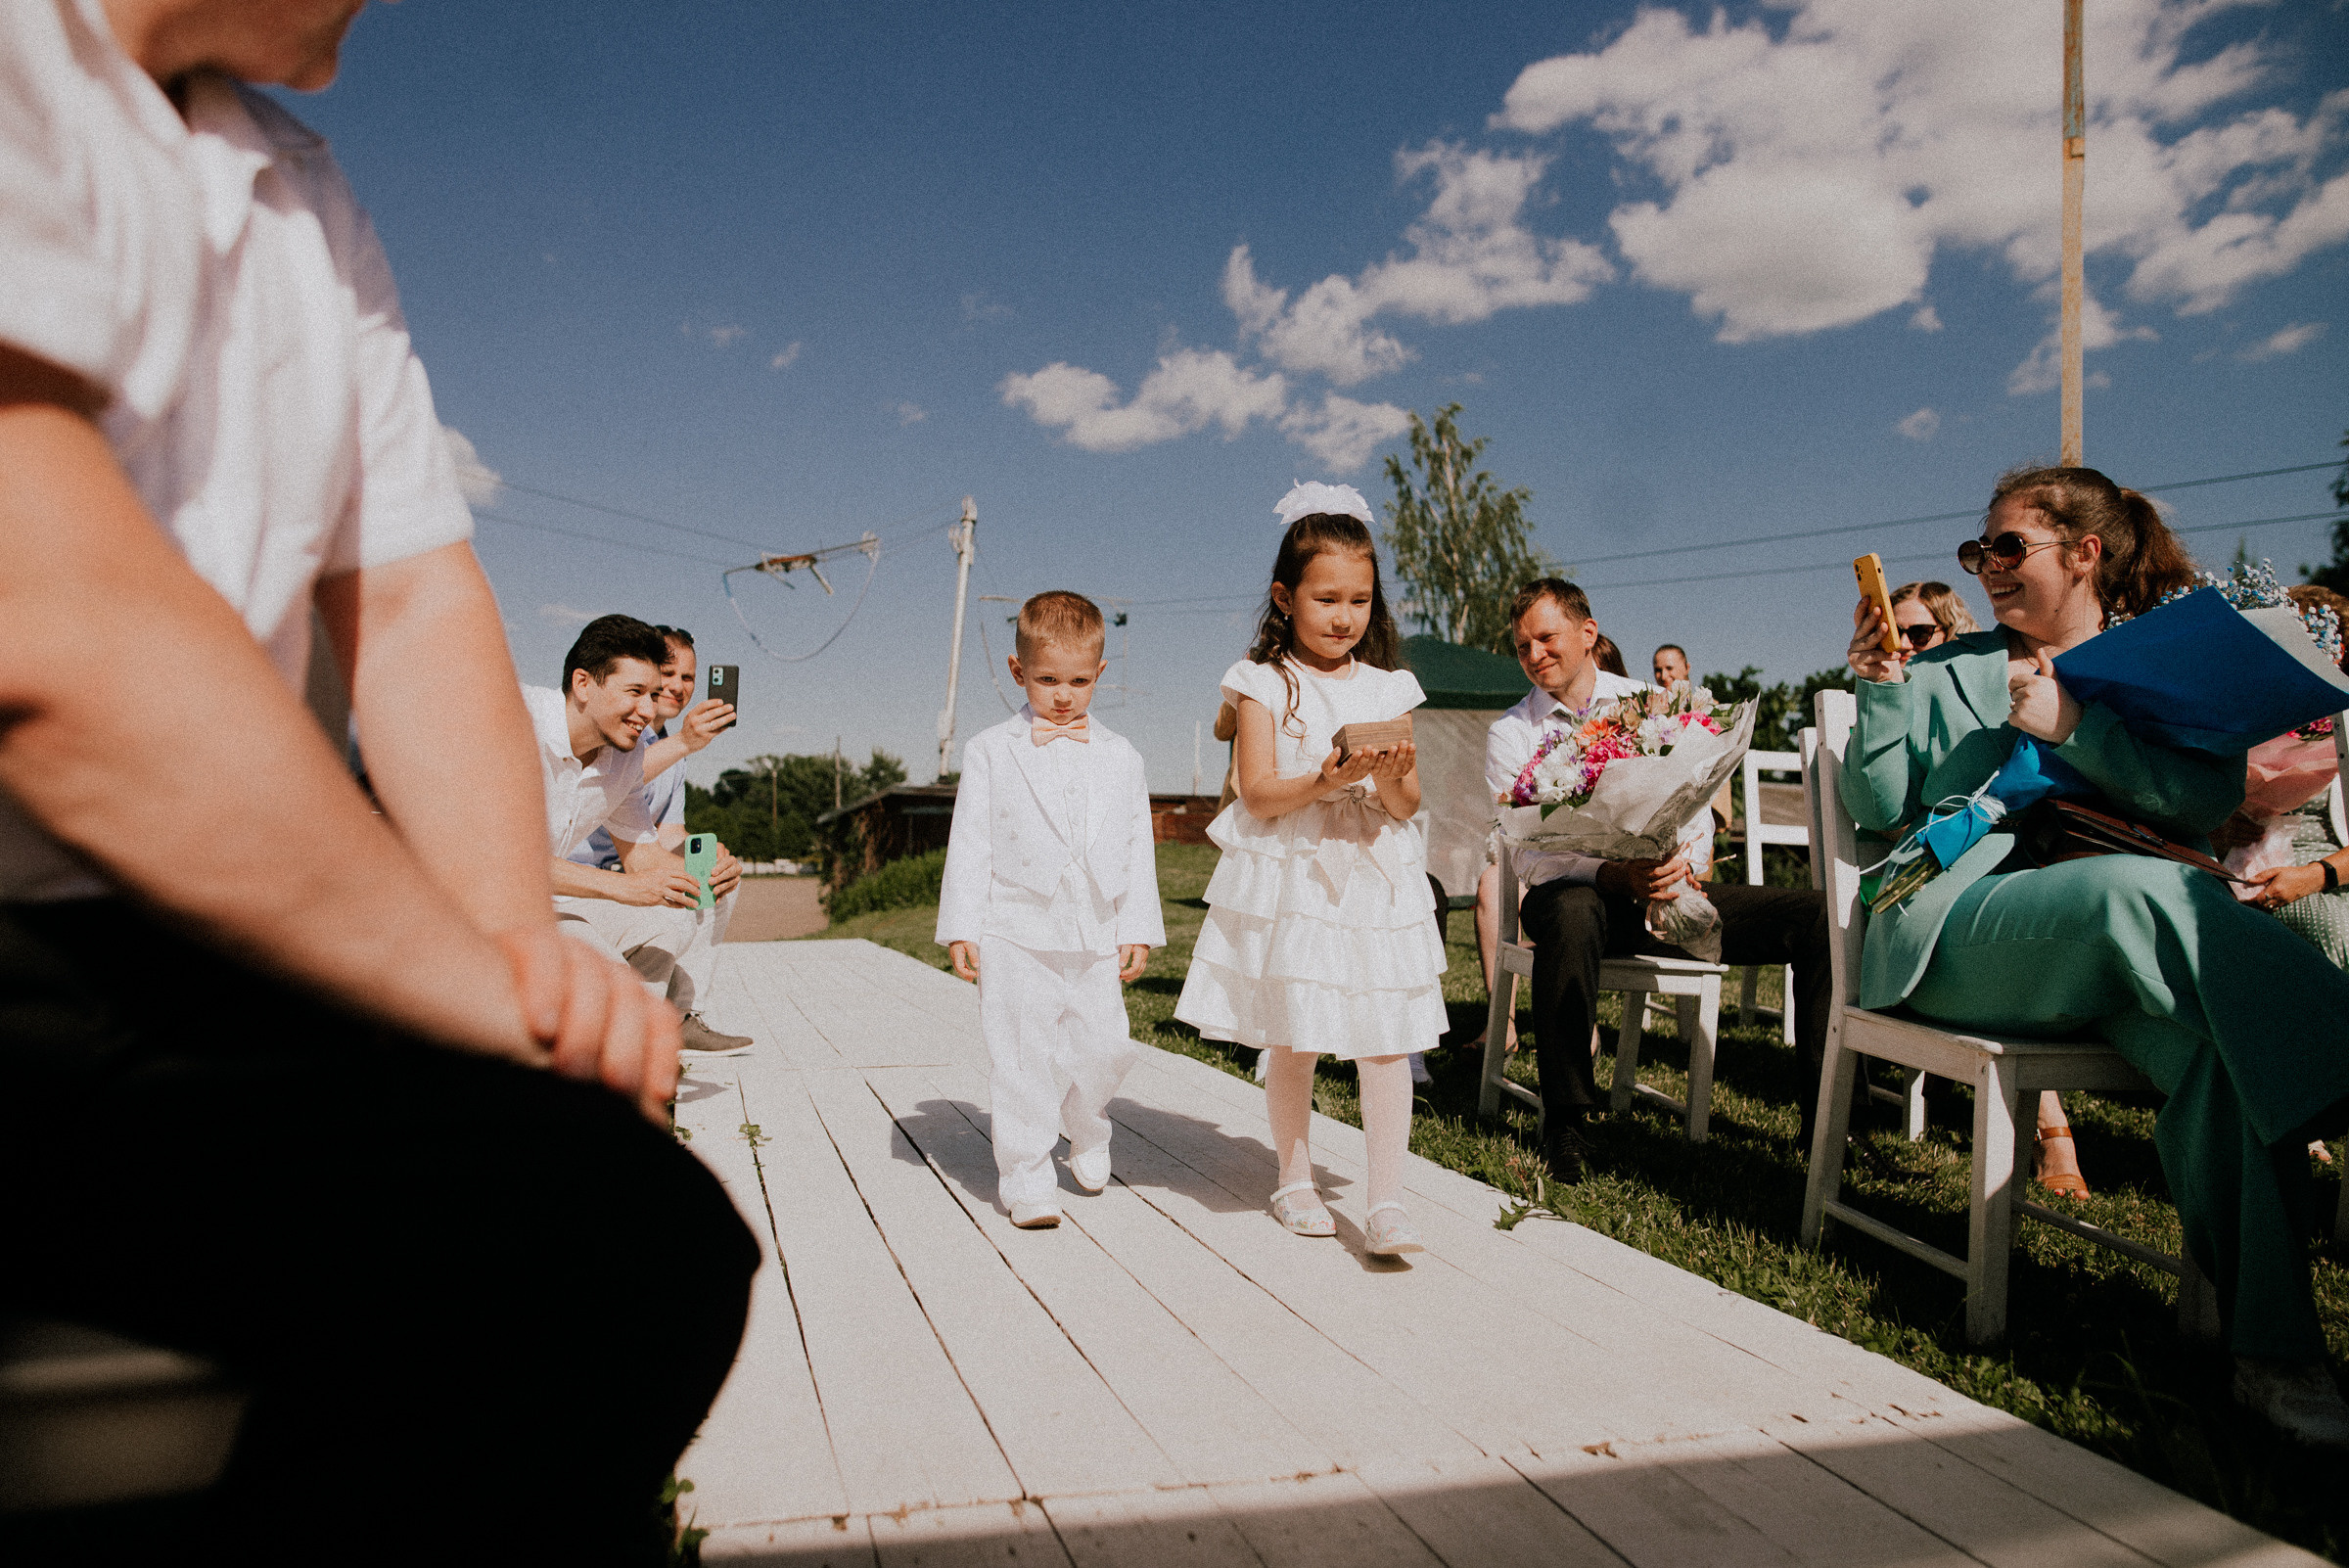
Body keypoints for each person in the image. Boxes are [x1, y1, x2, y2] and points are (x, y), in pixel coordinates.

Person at [0, 1, 756, 1559]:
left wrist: (520, 973)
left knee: (633, 1240)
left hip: (177, 936)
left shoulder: (295, 186)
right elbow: (48, 632)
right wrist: (466, 973)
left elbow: (411, 602)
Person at [1842, 464, 2349, 1447]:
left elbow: (2204, 807)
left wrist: (2080, 728)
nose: (1985, 566)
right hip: (1965, 931)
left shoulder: (2169, 665)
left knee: (2217, 1062)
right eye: (1976, 550)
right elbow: (1877, 810)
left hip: (2120, 955)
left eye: (2008, 547)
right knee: (2158, 892)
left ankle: (2276, 1355)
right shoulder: (1947, 667)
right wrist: (1883, 689)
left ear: (2084, 554)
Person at [1175, 482, 1443, 1257]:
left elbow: (1405, 802)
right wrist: (1327, 779)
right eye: (1326, 597)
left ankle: (1387, 1198)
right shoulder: (1262, 683)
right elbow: (1258, 792)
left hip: (1372, 873)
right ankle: (1293, 1176)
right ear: (1284, 596)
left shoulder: (1389, 687)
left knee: (1385, 1037)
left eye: (1359, 600)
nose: (1343, 616)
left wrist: (1388, 771)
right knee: (1296, 1034)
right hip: (1295, 869)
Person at [1489, 580, 1831, 1181]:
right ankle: (1566, 1121)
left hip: (1667, 891)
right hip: (1573, 898)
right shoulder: (1512, 732)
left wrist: (1687, 864)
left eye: (1546, 638)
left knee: (1815, 918)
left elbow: (1695, 804)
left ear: (1588, 634)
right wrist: (1615, 875)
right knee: (1570, 908)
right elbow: (1530, 856)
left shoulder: (1653, 704)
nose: (1535, 654)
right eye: (1523, 647)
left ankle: (1826, 1126)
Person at [938, 592, 1163, 1229]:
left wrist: (1137, 923)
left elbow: (1136, 844)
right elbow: (972, 841)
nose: (1063, 696)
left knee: (1105, 1046)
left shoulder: (1122, 755)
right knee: (1020, 1056)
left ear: (1099, 675)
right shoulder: (989, 750)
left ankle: (1087, 1121)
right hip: (1014, 927)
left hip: (1093, 927)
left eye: (1078, 681)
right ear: (1017, 671)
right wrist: (962, 924)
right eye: (1046, 680)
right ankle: (1027, 1178)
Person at [538, 616, 749, 1046]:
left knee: (669, 920)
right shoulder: (516, 725)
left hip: (556, 896)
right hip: (475, 906)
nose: (650, 709)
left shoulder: (622, 758)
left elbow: (646, 851)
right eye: (637, 692)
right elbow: (496, 862)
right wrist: (628, 889)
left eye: (654, 694)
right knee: (611, 983)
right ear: (583, 684)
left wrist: (703, 869)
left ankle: (651, 1042)